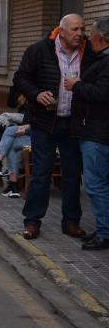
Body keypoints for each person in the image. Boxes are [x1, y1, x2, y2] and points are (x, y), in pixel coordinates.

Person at [13, 14, 90, 240]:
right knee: (41, 173)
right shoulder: (39, 50)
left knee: (73, 174)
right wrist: (36, 94)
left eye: (82, 29)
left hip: (73, 123)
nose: (80, 34)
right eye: (75, 29)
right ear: (62, 31)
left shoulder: (88, 54)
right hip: (44, 122)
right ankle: (32, 221)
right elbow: (20, 79)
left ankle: (71, 222)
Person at [65, 17, 109, 251]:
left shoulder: (106, 61)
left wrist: (76, 85)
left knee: (96, 185)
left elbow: (102, 93)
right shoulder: (100, 58)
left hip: (97, 133)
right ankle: (104, 228)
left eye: (89, 33)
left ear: (100, 37)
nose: (86, 37)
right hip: (95, 131)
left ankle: (105, 233)